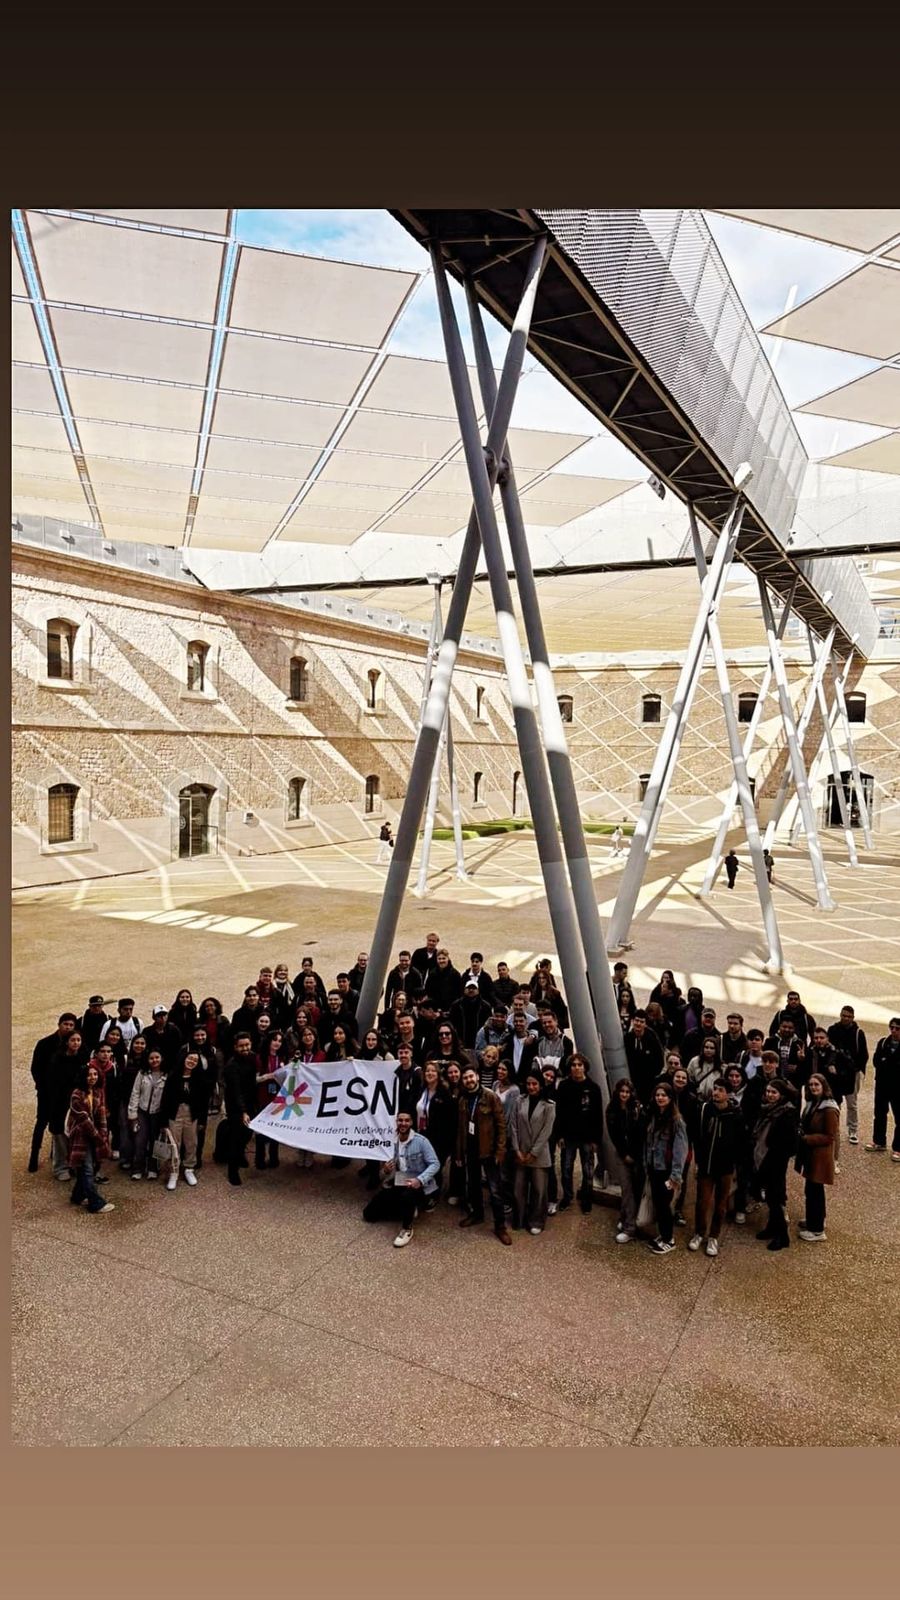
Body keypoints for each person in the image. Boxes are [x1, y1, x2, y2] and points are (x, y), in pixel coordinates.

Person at [362, 1111, 440, 1247]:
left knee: (408, 1196)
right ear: (396, 1122)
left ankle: (407, 1228)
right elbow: (386, 1171)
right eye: (400, 1120)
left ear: (411, 1123)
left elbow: (435, 1164)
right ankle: (407, 1209)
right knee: (369, 1214)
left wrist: (419, 1180)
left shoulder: (421, 1141)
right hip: (399, 1181)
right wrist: (385, 1170)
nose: (403, 1123)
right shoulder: (392, 1142)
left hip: (419, 1184)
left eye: (407, 1120)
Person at [688, 1077, 745, 1258]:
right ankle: (699, 1232)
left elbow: (740, 1142)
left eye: (721, 1090)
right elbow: (697, 1137)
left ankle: (713, 1236)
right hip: (706, 1165)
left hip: (725, 1167)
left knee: (721, 1204)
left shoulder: (735, 1114)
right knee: (702, 1202)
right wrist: (698, 1162)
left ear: (728, 1093)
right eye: (715, 1089)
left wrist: (735, 1166)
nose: (716, 1093)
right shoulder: (704, 1110)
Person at [455, 1064, 511, 1245]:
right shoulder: (463, 1099)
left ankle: (500, 1226)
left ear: (477, 1077)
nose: (468, 1080)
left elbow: (501, 1125)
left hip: (489, 1150)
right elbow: (460, 1129)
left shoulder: (490, 1096)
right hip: (471, 1149)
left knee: (495, 1190)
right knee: (473, 1185)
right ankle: (477, 1214)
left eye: (471, 1076)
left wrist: (500, 1150)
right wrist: (459, 1153)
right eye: (465, 1078)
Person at [751, 1077, 799, 1251]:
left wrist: (775, 1156)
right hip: (765, 1156)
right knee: (771, 1197)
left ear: (781, 1095)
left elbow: (788, 1143)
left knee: (775, 1198)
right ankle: (772, 1227)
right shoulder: (769, 1109)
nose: (770, 1095)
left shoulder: (786, 1113)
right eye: (768, 1092)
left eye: (774, 1092)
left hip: (776, 1160)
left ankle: (782, 1235)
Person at [28, 1011, 79, 1173]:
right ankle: (34, 1156)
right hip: (46, 1092)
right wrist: (42, 1087)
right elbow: (35, 1068)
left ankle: (55, 1153)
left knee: (60, 1123)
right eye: (66, 1024)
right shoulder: (44, 1043)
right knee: (41, 1122)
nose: (68, 1027)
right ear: (59, 1025)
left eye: (71, 1025)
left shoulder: (75, 1044)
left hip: (65, 1094)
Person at [554, 1053, 603, 1212]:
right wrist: (559, 1135)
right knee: (566, 1169)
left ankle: (586, 1199)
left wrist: (596, 1139)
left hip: (587, 1137)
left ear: (585, 1067)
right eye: (573, 1065)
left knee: (588, 1171)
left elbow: (598, 1115)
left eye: (579, 1065)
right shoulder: (563, 1086)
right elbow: (559, 1112)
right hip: (568, 1136)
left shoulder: (594, 1088)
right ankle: (567, 1197)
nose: (576, 1068)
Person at [644, 1080, 689, 1255]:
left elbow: (680, 1150)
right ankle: (663, 1235)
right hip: (654, 1168)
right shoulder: (654, 1116)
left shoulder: (677, 1121)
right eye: (657, 1095)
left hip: (667, 1170)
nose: (660, 1098)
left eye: (663, 1095)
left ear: (670, 1098)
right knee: (659, 1204)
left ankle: (669, 1239)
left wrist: (675, 1176)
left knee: (664, 1206)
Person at [794, 1072, 840, 1242]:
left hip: (820, 1156)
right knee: (811, 1190)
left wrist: (806, 1138)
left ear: (823, 1086)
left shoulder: (829, 1109)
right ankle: (814, 1219)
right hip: (811, 1154)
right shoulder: (813, 1103)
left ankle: (817, 1230)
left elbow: (830, 1136)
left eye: (816, 1084)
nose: (813, 1087)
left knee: (815, 1192)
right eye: (811, 1085)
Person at [511, 1069, 556, 1234]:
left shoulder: (549, 1105)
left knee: (539, 1190)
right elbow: (513, 1125)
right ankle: (519, 1218)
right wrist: (516, 1149)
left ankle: (536, 1220)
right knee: (518, 1189)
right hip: (521, 1152)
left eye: (534, 1084)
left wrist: (533, 1153)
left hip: (539, 1154)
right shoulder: (519, 1101)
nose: (531, 1087)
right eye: (529, 1084)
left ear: (540, 1085)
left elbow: (546, 1132)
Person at [67, 1062, 115, 1214]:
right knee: (87, 1168)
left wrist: (104, 1133)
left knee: (88, 1167)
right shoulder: (76, 1095)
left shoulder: (98, 1091)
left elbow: (101, 1114)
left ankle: (78, 1195)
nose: (92, 1077)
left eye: (95, 1074)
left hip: (95, 1135)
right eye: (89, 1075)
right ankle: (95, 1203)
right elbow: (83, 1120)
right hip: (80, 1136)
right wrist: (99, 1138)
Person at [159, 1050, 208, 1189]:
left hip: (192, 1114)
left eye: (195, 1060)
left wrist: (202, 1121)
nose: (192, 1062)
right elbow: (165, 1100)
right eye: (189, 1058)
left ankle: (189, 1168)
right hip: (175, 1113)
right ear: (184, 1059)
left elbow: (204, 1102)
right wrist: (163, 1121)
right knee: (174, 1144)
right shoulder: (173, 1076)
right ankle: (173, 1171)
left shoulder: (200, 1079)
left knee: (191, 1142)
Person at [607, 1078, 644, 1243]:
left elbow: (641, 1133)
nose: (624, 1094)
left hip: (637, 1155)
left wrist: (635, 1155)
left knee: (634, 1190)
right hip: (622, 1155)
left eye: (627, 1092)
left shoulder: (637, 1109)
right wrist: (624, 1154)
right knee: (627, 1190)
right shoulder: (612, 1110)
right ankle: (629, 1227)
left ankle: (628, 1219)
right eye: (622, 1091)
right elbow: (614, 1135)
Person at [827, 1005, 869, 1145]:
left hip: (852, 1074)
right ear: (840, 1015)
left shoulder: (858, 1033)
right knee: (835, 1103)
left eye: (849, 1016)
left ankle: (853, 1130)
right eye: (844, 1015)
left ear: (853, 1018)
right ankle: (834, 1128)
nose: (846, 1018)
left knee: (852, 1104)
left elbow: (863, 1054)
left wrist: (857, 1069)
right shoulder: (832, 1030)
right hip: (836, 1073)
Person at [414, 1061, 455, 1203]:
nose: (429, 1073)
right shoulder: (422, 1090)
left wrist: (447, 1145)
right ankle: (423, 1192)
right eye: (427, 1071)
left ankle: (434, 1195)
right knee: (423, 1165)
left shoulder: (444, 1093)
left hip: (438, 1139)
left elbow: (449, 1120)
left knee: (434, 1167)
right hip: (421, 1134)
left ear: (438, 1074)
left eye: (433, 1071)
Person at [222, 1033, 257, 1187]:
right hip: (236, 1106)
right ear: (235, 1047)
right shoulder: (231, 1066)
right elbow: (236, 1092)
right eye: (241, 1046)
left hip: (250, 1102)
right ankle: (233, 1171)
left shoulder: (252, 1058)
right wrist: (243, 1112)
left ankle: (241, 1155)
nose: (245, 1048)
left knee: (247, 1134)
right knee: (236, 1137)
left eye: (247, 1045)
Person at [128, 1047, 167, 1179]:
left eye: (157, 1057)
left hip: (157, 1113)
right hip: (142, 1111)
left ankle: (153, 1168)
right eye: (151, 1058)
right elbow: (135, 1093)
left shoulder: (167, 1075)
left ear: (162, 1059)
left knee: (155, 1140)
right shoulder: (142, 1073)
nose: (154, 1060)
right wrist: (133, 1115)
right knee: (140, 1140)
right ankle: (137, 1168)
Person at [867, 1017, 900, 1158]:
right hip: (882, 1085)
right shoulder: (883, 1043)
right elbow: (876, 1061)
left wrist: (887, 1063)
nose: (894, 1031)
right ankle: (879, 1141)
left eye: (897, 1028)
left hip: (898, 1088)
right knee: (879, 1114)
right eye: (892, 1027)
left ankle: (898, 1148)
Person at [624, 1011, 664, 1104]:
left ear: (645, 1024)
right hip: (632, 1079)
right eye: (636, 1020)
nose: (638, 1024)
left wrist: (652, 1075)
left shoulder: (652, 1038)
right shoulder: (627, 1038)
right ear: (632, 1021)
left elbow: (659, 1060)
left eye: (641, 1022)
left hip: (648, 1080)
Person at [449, 980, 491, 1049]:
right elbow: (451, 1024)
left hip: (480, 1043)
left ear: (478, 990)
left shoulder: (485, 1006)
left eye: (474, 988)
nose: (471, 990)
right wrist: (456, 1039)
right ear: (464, 990)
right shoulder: (456, 1005)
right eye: (468, 988)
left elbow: (488, 1025)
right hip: (460, 1043)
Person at [141, 1004, 182, 1069]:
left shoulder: (174, 1030)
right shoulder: (147, 1031)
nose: (162, 1018)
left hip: (171, 1064)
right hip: (153, 1064)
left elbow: (179, 1048)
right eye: (159, 1015)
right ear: (154, 1018)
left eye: (164, 1015)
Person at [425, 947, 463, 1014]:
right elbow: (428, 991)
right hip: (435, 1010)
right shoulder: (432, 974)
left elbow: (459, 993)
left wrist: (452, 1009)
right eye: (439, 959)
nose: (441, 961)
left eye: (443, 958)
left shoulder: (455, 974)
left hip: (451, 1010)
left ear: (448, 958)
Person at [686, 1034, 723, 1100]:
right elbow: (688, 1078)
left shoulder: (722, 1066)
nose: (708, 1050)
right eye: (706, 1047)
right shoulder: (694, 1061)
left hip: (714, 1098)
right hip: (696, 1097)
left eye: (712, 1048)